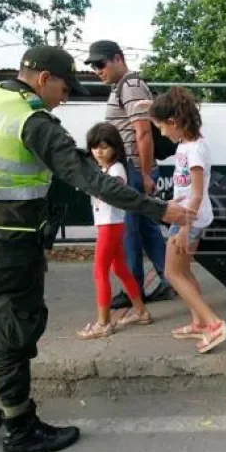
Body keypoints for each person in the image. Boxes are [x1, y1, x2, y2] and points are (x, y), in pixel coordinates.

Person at [0, 45, 194, 452]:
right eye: (64, 88)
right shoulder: (33, 121)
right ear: (44, 78)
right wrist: (160, 209)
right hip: (10, 245)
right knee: (12, 337)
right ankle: (20, 429)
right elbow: (88, 178)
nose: (65, 98)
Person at [85, 40, 172, 308]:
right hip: (135, 169)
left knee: (130, 233)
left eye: (100, 63)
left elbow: (143, 133)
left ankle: (134, 289)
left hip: (134, 170)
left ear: (118, 59)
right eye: (92, 65)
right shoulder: (122, 87)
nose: (97, 69)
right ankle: (169, 279)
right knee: (147, 231)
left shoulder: (131, 86)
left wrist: (145, 175)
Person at [145, 87, 226, 353]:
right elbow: (187, 193)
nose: (161, 133)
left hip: (188, 219)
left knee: (172, 272)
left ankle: (214, 323)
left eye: (161, 127)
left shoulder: (194, 149)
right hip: (186, 216)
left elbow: (196, 194)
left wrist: (184, 228)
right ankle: (199, 323)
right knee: (182, 271)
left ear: (174, 122)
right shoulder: (186, 145)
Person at [77, 123, 150, 339]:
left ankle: (103, 323)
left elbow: (112, 192)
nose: (99, 151)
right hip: (110, 224)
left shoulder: (116, 169)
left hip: (111, 225)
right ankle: (141, 312)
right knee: (119, 269)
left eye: (104, 147)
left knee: (100, 272)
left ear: (115, 148)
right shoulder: (105, 169)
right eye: (95, 147)